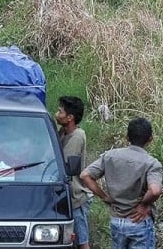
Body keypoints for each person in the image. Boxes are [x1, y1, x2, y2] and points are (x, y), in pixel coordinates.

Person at [81, 118, 163, 249]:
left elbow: (85, 175)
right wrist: (143, 205)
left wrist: (104, 197)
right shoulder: (151, 163)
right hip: (139, 222)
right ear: (150, 139)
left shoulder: (110, 156)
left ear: (127, 137)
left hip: (117, 220)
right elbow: (155, 190)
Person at [55, 96, 91, 249]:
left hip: (75, 197)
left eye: (60, 111)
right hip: (68, 194)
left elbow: (62, 163)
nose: (57, 114)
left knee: (82, 241)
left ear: (70, 118)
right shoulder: (63, 132)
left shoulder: (76, 136)